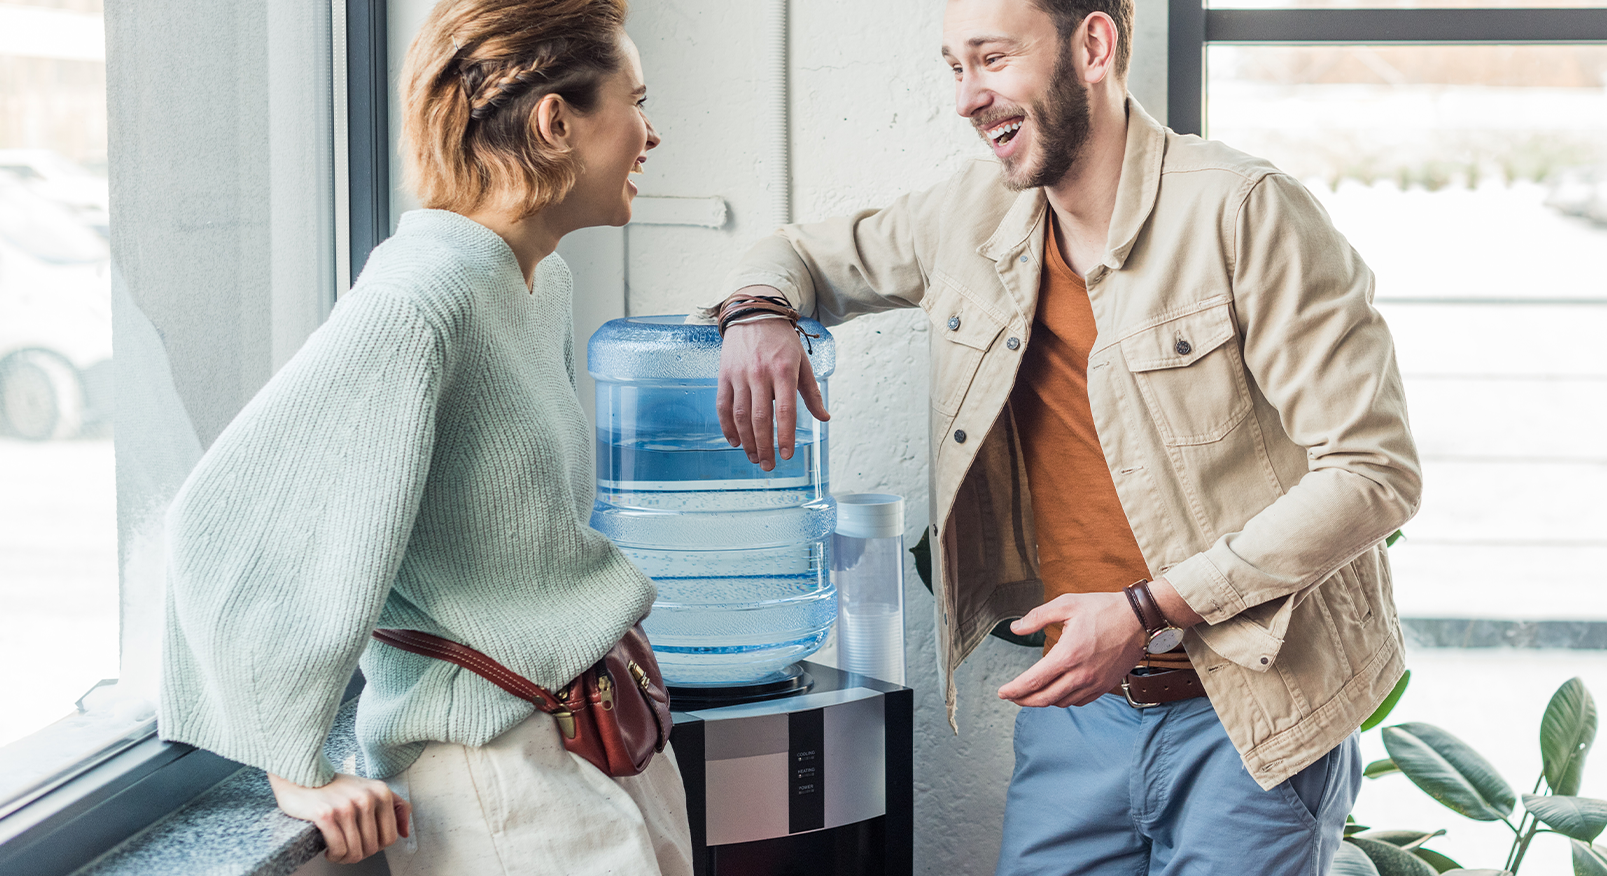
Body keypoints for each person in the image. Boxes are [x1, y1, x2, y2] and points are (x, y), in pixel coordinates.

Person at [712, 0, 1421, 873]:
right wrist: (756, 313)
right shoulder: (968, 215)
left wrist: (1145, 611)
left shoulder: (1246, 211)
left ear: (1093, 44)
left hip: (1251, 719)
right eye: (954, 67)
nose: (968, 97)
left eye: (993, 59)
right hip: (1075, 718)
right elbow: (801, 255)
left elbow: (1372, 471)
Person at [158, 1, 692, 872]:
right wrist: (295, 763)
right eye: (634, 100)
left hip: (599, 739)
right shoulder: (423, 299)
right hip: (501, 785)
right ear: (556, 123)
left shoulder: (533, 281)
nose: (650, 132)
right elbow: (219, 520)